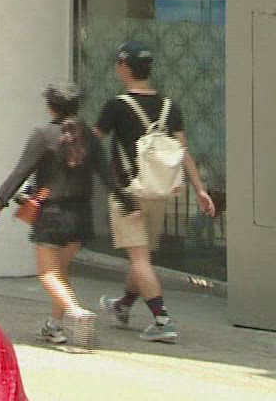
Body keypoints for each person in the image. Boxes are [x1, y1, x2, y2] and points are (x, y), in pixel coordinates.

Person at [94, 40, 216, 343]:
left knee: (139, 259)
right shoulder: (170, 106)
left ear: (124, 66)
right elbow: (183, 152)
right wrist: (200, 189)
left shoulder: (116, 105)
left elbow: (93, 142)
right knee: (143, 256)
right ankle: (123, 305)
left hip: (128, 193)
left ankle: (162, 321)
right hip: (159, 192)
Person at [0, 83, 125, 350]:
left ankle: (77, 313)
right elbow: (107, 175)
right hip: (81, 217)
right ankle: (54, 326)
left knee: (48, 273)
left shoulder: (43, 134)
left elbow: (21, 171)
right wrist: (128, 202)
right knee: (60, 272)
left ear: (51, 107)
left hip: (51, 216)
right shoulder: (89, 136)